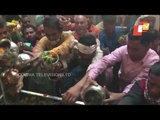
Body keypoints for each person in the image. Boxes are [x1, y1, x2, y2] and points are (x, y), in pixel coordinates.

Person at [62, 29, 160, 104]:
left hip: (139, 93)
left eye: (135, 49)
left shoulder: (153, 61)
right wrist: (81, 84)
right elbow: (103, 62)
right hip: (119, 84)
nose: (129, 51)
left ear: (148, 47)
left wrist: (118, 96)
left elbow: (137, 84)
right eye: (128, 47)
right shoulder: (124, 49)